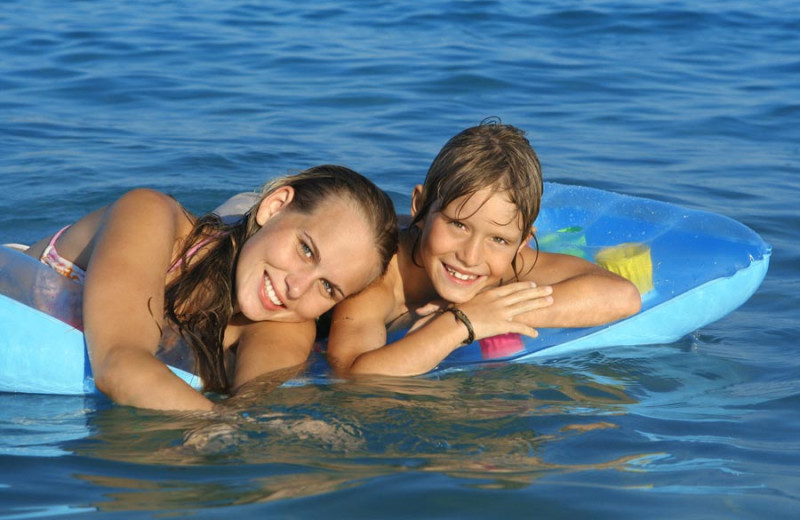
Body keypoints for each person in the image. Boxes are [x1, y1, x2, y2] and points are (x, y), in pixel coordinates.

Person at [22, 165, 398, 411]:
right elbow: (119, 365)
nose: (297, 288)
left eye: (328, 288)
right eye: (305, 249)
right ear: (275, 206)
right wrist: (218, 428)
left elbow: (260, 411)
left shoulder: (286, 321)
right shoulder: (151, 217)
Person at [326, 120, 642, 376]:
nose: (471, 256)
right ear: (420, 206)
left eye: (499, 239)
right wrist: (463, 322)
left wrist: (492, 310)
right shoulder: (380, 271)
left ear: (522, 242)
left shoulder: (506, 263)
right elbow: (355, 376)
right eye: (458, 225)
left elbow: (621, 295)